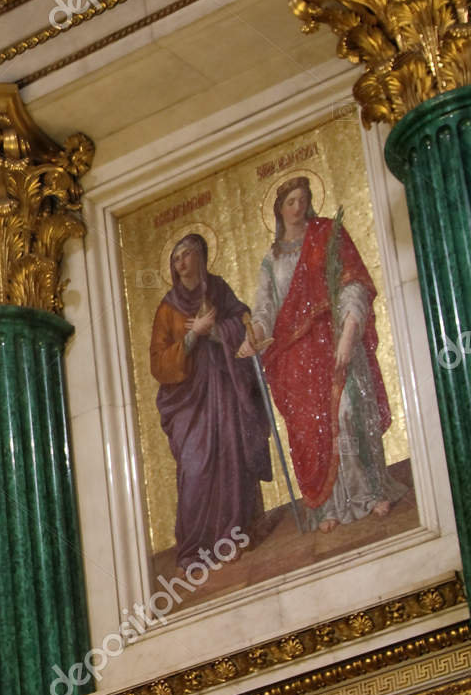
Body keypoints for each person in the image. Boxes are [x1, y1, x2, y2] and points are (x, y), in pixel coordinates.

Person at [237, 176, 406, 531]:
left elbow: (354, 283)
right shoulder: (272, 258)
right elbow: (266, 307)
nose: (298, 207)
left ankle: (368, 492)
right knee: (309, 431)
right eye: (290, 202)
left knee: (346, 415)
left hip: (333, 342)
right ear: (279, 210)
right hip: (295, 357)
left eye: (303, 199)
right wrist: (257, 335)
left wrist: (348, 332)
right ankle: (328, 506)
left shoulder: (327, 235)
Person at [149, 233, 271, 561]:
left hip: (224, 386)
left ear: (201, 256)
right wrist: (193, 335)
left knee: (231, 457)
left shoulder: (217, 289)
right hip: (188, 399)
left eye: (186, 255)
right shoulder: (167, 308)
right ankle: (193, 548)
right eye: (176, 259)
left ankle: (232, 536)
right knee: (195, 466)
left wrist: (219, 332)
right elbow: (158, 362)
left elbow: (241, 318)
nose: (181, 263)